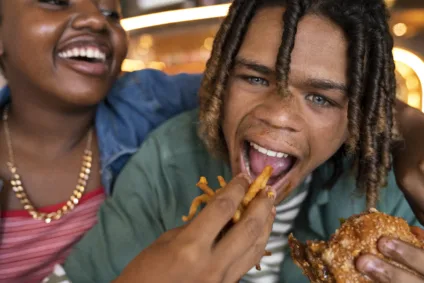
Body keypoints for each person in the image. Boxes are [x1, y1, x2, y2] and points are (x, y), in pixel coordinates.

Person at [61, 0, 424, 282]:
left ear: (355, 118)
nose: (278, 115)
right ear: (221, 80)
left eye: (320, 98)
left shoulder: (385, 193)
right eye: (254, 78)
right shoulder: (168, 158)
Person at [0, 0, 203, 282]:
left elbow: (240, 85)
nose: (96, 21)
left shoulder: (146, 101)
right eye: (56, 2)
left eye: (111, 14)